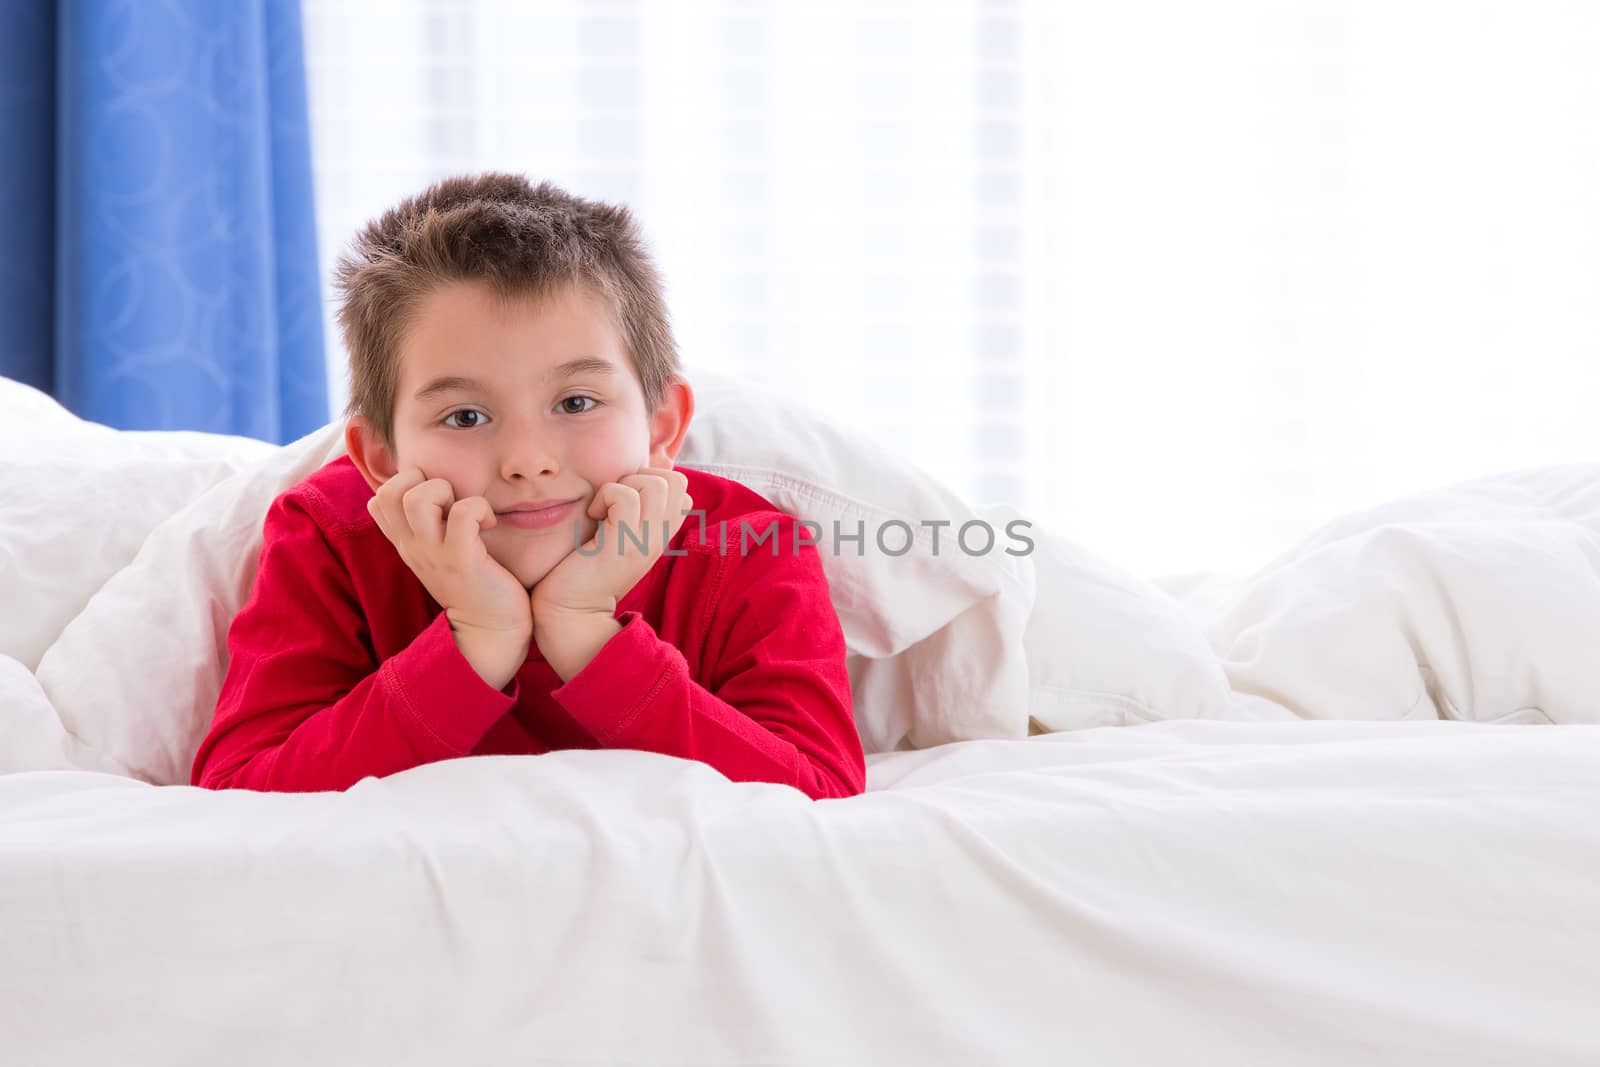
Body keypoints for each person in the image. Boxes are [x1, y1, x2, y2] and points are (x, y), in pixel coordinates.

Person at [189, 172, 866, 800]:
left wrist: (585, 633)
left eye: (575, 403)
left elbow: (821, 791)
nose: (528, 461)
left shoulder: (746, 547)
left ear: (662, 425)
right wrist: (477, 638)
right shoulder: (332, 538)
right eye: (465, 416)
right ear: (382, 458)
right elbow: (240, 791)